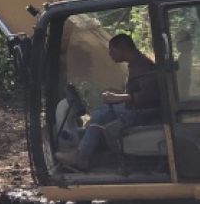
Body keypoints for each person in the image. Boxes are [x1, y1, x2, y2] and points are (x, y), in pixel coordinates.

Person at [56, 33, 161, 171]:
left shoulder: (142, 66)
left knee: (101, 114)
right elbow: (137, 92)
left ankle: (82, 156)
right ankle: (86, 146)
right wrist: (117, 94)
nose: (110, 54)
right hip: (137, 108)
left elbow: (149, 96)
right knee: (101, 111)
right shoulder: (136, 64)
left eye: (112, 50)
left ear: (123, 48)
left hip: (144, 113)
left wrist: (118, 98)